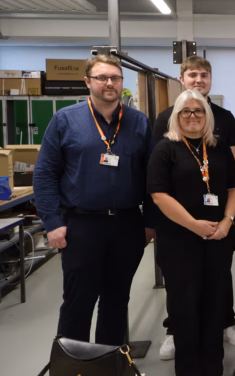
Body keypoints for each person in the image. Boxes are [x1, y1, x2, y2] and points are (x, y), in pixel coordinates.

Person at [34, 54, 155, 346]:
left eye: (115, 77)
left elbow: (153, 178)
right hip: (81, 226)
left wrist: (150, 224)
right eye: (102, 77)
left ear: (122, 83)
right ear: (88, 82)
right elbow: (45, 174)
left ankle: (107, 364)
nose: (109, 83)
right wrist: (52, 222)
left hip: (127, 225)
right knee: (78, 302)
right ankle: (73, 367)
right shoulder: (65, 120)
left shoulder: (139, 122)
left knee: (116, 302)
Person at [152, 56, 235, 359]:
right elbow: (158, 181)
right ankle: (175, 330)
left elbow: (231, 167)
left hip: (219, 218)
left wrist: (226, 219)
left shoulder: (225, 118)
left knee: (220, 278)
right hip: (179, 227)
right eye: (192, 75)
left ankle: (224, 323)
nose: (198, 80)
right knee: (180, 284)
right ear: (182, 79)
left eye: (204, 75)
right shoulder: (165, 120)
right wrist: (191, 222)